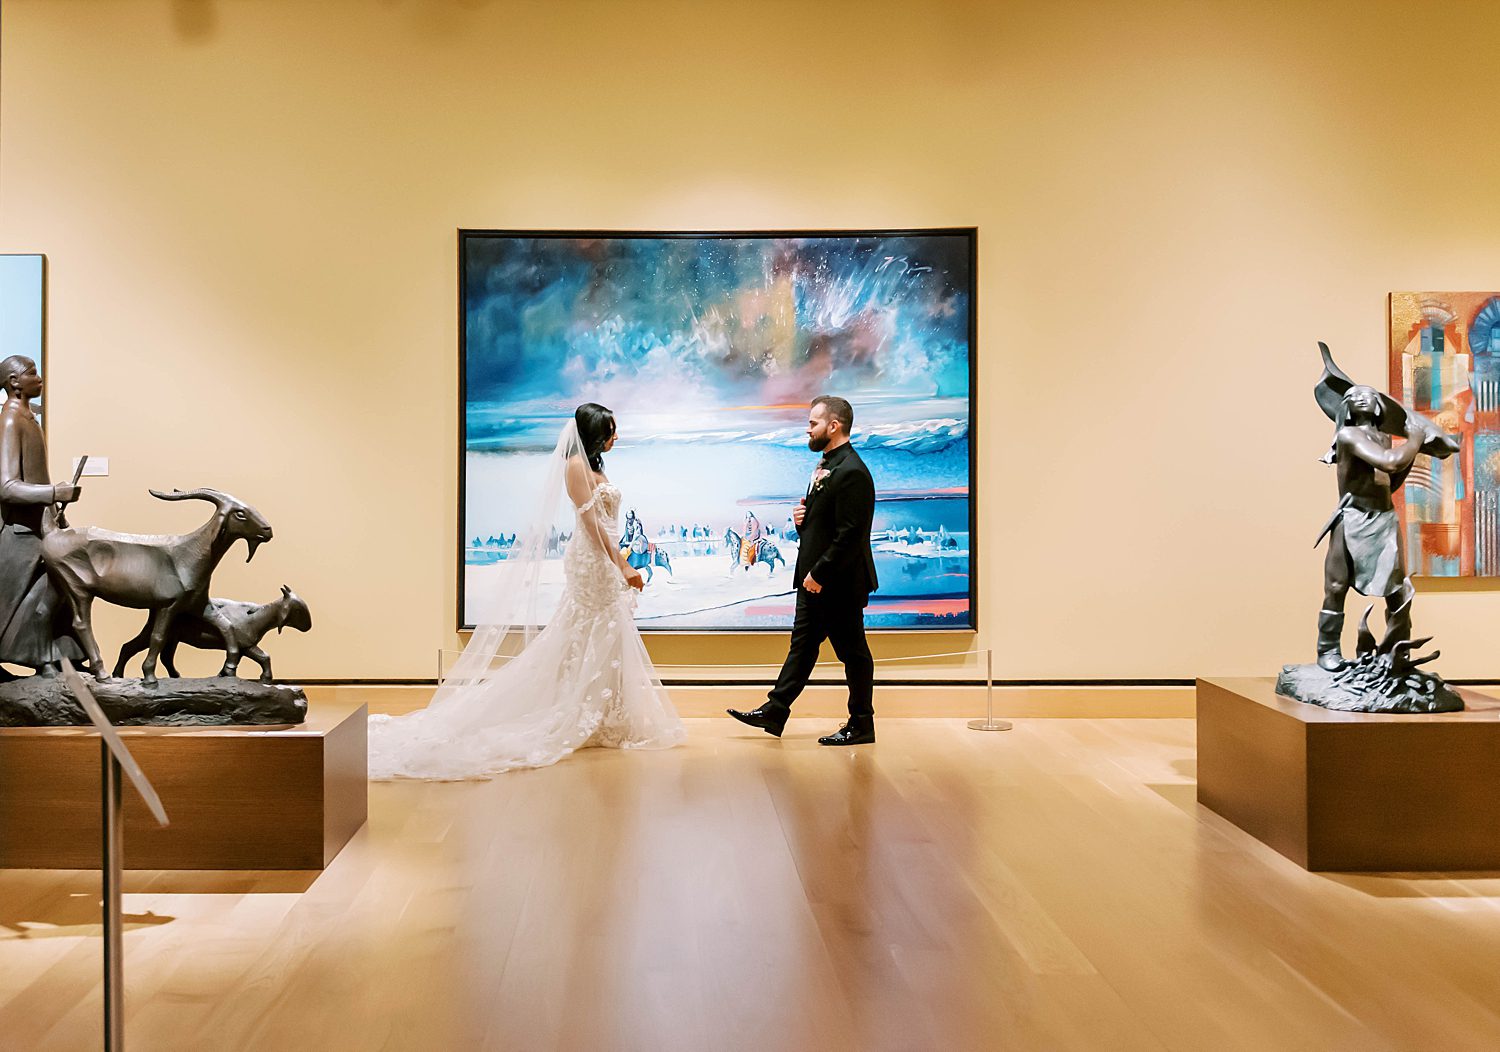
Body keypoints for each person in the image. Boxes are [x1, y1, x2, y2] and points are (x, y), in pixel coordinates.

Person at [368, 403, 685, 779]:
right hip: (592, 558)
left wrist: (618, 559)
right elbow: (590, 525)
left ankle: (603, 711)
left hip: (605, 555)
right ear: (592, 434)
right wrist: (623, 563)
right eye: (610, 431)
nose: (616, 437)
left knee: (604, 632)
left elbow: (606, 522)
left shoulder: (596, 465)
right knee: (590, 627)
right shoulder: (574, 468)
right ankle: (578, 709)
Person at [727, 395, 878, 745]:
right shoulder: (829, 465)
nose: (808, 429)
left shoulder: (852, 471)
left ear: (833, 425)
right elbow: (827, 526)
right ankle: (776, 711)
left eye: (813, 423)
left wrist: (818, 575)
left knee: (853, 652)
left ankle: (861, 723)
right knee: (804, 646)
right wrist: (802, 522)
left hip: (836, 582)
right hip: (818, 580)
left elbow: (850, 535)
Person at [0, 355, 82, 675]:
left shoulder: (29, 418)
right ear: (14, 383)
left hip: (38, 525)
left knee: (59, 588)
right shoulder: (10, 420)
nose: (39, 378)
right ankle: (46, 661)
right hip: (18, 531)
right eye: (31, 373)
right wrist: (53, 494)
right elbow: (6, 487)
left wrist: (53, 511)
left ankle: (61, 659)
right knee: (16, 601)